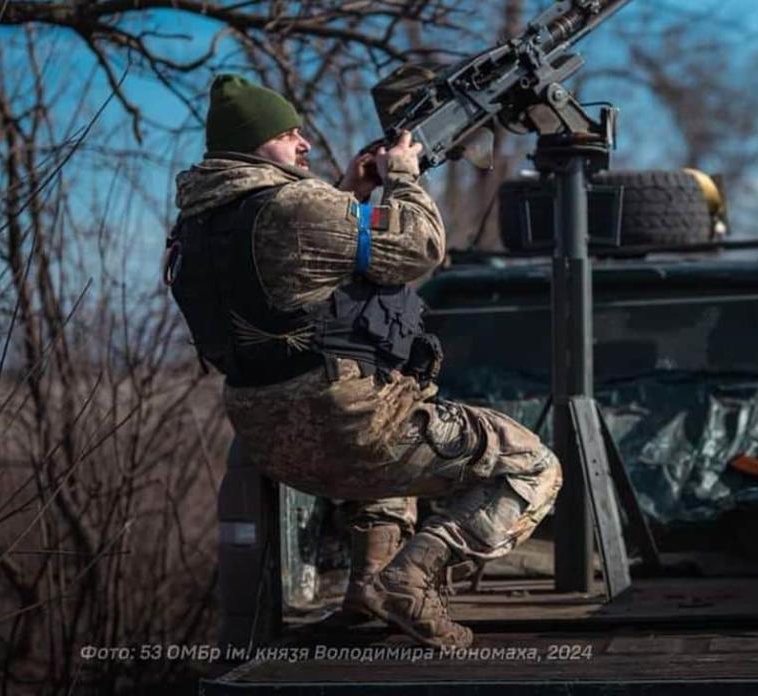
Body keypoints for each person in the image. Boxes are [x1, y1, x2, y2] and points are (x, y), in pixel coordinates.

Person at [164, 74, 561, 648]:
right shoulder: (295, 205)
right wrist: (402, 173)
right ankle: (413, 575)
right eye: (287, 134)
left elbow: (293, 265)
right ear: (253, 145)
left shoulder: (198, 225)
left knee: (387, 447)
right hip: (349, 423)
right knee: (534, 466)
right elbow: (421, 245)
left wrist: (349, 189)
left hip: (270, 443)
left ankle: (367, 592)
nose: (302, 144)